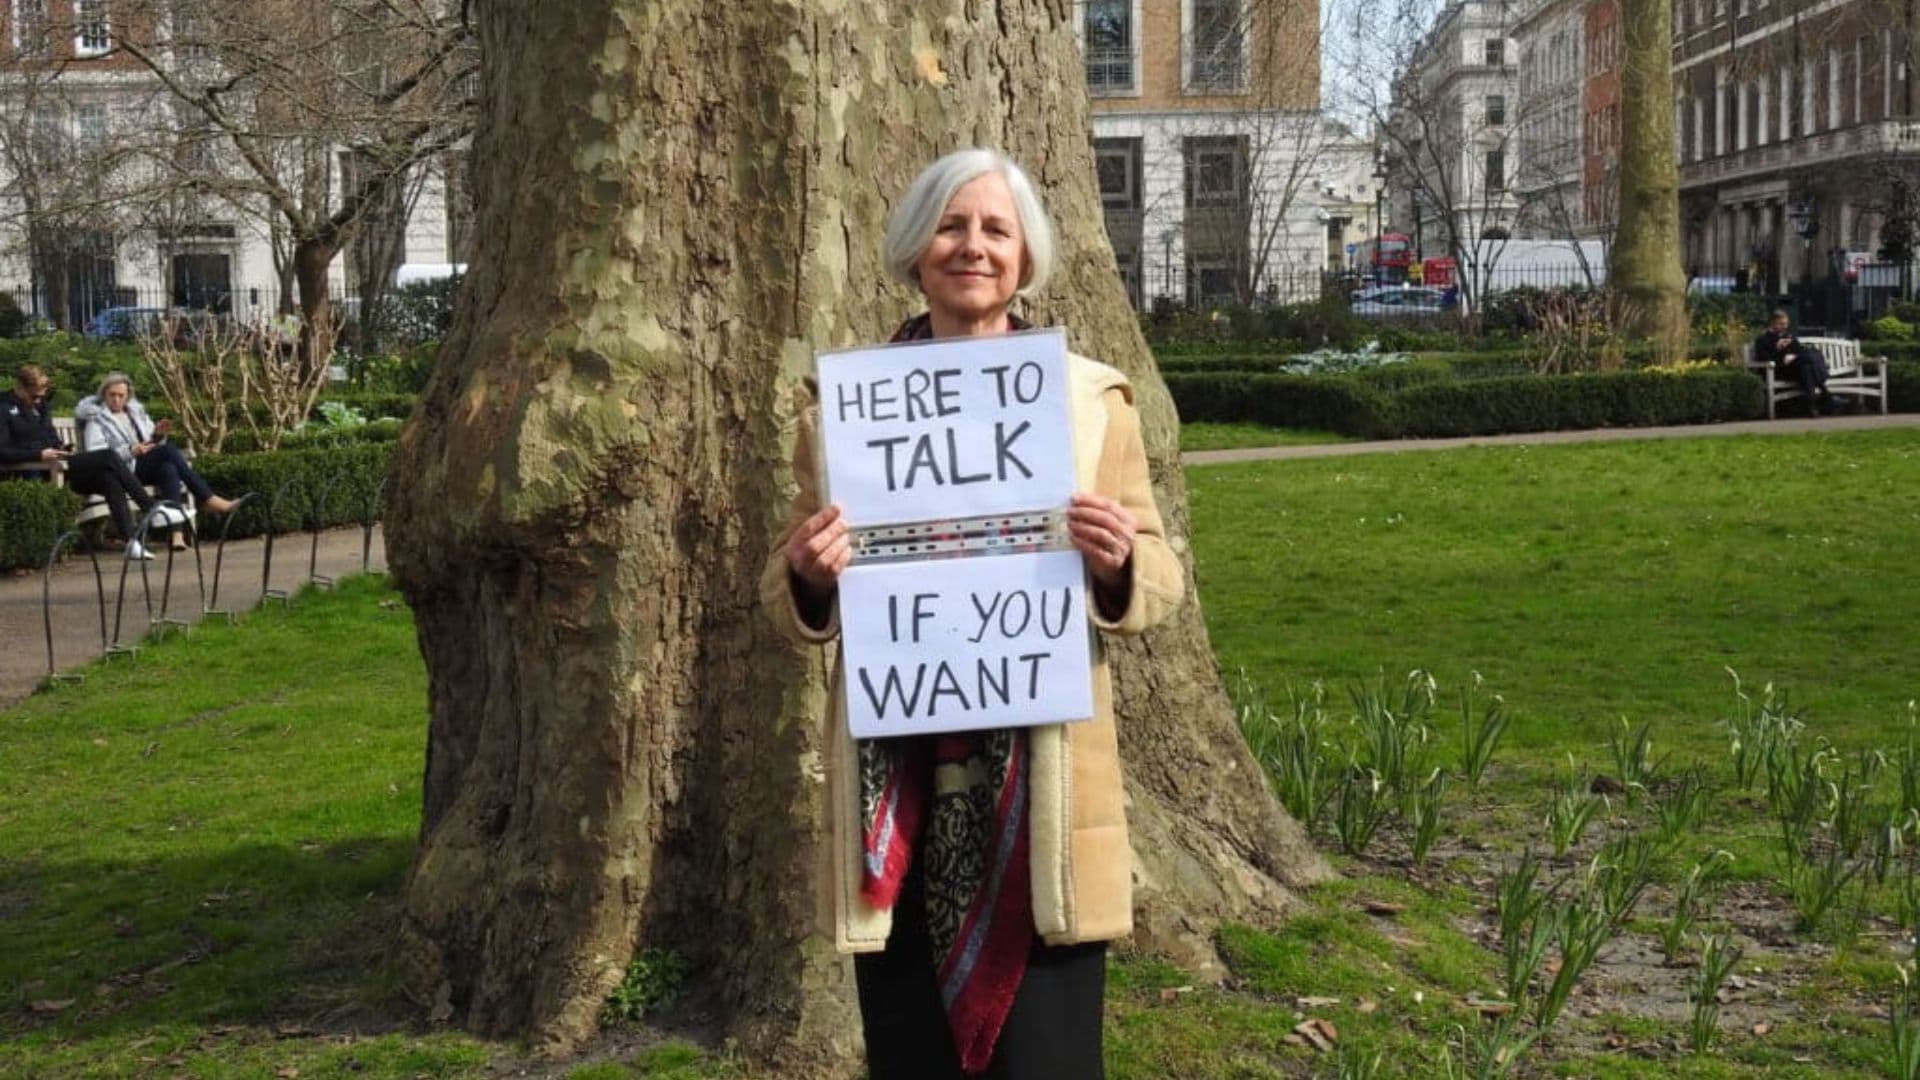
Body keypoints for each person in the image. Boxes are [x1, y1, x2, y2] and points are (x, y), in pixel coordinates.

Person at [761, 149, 1185, 1079]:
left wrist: (1116, 565)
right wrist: (809, 574)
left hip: (1042, 802)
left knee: (1046, 1057)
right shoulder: (844, 410)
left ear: (1026, 258)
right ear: (916, 251)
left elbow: (1161, 579)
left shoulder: (1090, 403)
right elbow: (785, 589)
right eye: (952, 227)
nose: (974, 247)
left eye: (997, 230)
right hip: (903, 791)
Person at [0, 365, 179, 558]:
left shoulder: (41, 405)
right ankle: (151, 508)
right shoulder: (3, 407)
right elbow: (3, 451)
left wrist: (61, 447)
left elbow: (50, 435)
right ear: (20, 388)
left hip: (61, 463)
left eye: (42, 396)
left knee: (108, 477)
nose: (39, 401)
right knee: (108, 457)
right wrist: (38, 455)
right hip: (41, 468)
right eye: (35, 396)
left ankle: (131, 543)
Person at [75, 373, 236, 550]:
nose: (116, 399)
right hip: (124, 470)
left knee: (168, 469)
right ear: (103, 395)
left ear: (128, 396)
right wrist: (130, 451)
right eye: (112, 395)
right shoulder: (96, 418)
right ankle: (208, 498)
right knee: (168, 452)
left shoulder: (136, 412)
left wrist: (157, 435)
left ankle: (177, 535)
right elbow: (97, 455)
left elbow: (151, 444)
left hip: (142, 464)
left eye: (121, 395)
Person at [1753, 309, 1836, 415]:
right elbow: (1762, 358)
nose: (1785, 326)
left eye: (1786, 323)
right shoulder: (1763, 339)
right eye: (1782, 324)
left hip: (1796, 369)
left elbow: (1800, 350)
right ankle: (1826, 396)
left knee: (1807, 364)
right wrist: (1777, 349)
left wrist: (1794, 356)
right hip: (1778, 370)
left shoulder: (1788, 336)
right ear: (1773, 323)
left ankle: (1812, 405)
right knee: (1809, 359)